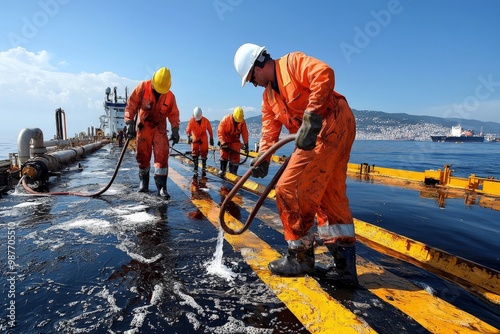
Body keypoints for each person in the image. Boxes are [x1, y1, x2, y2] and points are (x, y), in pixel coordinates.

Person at [233, 43, 357, 286]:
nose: (253, 83)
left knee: (289, 188)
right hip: (324, 132)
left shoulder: (291, 63)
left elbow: (324, 73)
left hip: (334, 123)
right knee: (329, 196)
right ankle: (345, 269)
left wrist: (311, 117)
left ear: (259, 65)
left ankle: (300, 256)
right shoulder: (268, 97)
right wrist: (263, 158)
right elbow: (269, 132)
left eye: (251, 78)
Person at [124, 67, 180, 199]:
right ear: (153, 81)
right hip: (144, 128)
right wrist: (129, 123)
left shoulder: (170, 96)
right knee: (143, 155)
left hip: (160, 129)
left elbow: (174, 114)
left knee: (162, 156)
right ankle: (144, 184)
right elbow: (131, 105)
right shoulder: (142, 87)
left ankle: (162, 188)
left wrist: (176, 129)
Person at [217, 106, 249, 178]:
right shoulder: (225, 120)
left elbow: (245, 133)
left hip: (235, 141)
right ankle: (222, 170)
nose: (237, 123)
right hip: (226, 140)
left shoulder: (242, 122)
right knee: (224, 154)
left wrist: (246, 144)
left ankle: (233, 173)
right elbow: (220, 132)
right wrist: (223, 143)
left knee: (235, 156)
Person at [186, 107, 214, 176]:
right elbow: (188, 130)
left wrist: (211, 138)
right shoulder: (191, 120)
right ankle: (196, 167)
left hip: (203, 136)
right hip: (195, 136)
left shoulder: (205, 120)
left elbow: (210, 129)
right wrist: (189, 137)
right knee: (195, 151)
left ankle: (203, 167)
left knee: (204, 150)